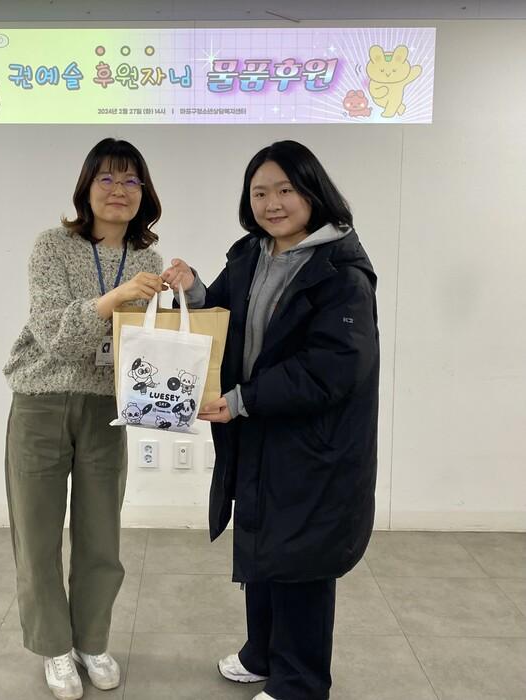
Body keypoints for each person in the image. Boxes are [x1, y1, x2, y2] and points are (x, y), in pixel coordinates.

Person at [162, 140, 379, 700]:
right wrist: (193, 288)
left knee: (301, 559)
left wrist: (241, 400)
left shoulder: (341, 273)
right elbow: (225, 315)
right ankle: (262, 653)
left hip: (312, 443)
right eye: (260, 192)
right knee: (262, 545)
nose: (272, 203)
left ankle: (300, 683)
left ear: (313, 192)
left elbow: (331, 369)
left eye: (286, 189)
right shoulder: (250, 254)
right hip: (258, 431)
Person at [3, 138, 165, 700]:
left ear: (144, 193)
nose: (119, 190)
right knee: (37, 534)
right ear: (86, 187)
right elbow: (53, 333)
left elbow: (146, 343)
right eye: (107, 179)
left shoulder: (148, 260)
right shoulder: (51, 246)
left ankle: (91, 641)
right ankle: (54, 646)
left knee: (101, 535)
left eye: (131, 180)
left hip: (106, 407)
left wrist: (181, 290)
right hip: (41, 400)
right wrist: (115, 298)